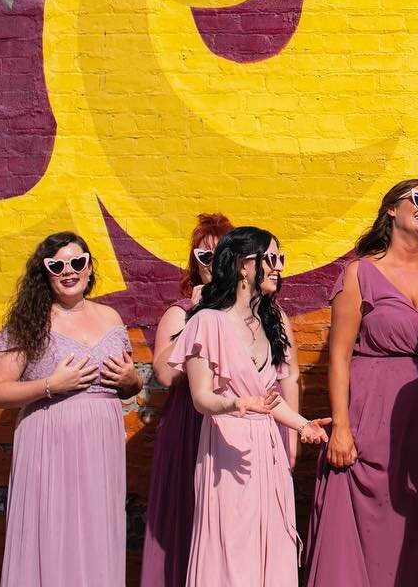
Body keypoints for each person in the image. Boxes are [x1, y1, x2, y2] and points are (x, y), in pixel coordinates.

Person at [305, 179, 418, 587]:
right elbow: (339, 355)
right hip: (369, 414)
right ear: (391, 209)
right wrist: (340, 427)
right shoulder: (361, 273)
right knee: (360, 524)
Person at [170, 226, 327, 586]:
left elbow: (268, 400)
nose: (278, 267)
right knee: (233, 548)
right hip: (228, 451)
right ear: (243, 265)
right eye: (271, 258)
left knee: (272, 543)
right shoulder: (207, 321)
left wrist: (303, 425)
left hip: (267, 451)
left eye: (281, 259)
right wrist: (236, 403)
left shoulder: (269, 321)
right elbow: (201, 398)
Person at [0, 232, 142, 587]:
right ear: (45, 272)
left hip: (102, 446)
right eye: (57, 265)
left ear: (89, 267)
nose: (68, 271)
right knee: (53, 529)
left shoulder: (111, 317)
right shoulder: (31, 320)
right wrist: (50, 386)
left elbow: (128, 387)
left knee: (97, 530)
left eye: (77, 262)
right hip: (50, 441)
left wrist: (133, 380)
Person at [142, 212, 233, 587]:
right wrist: (198, 315)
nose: (212, 264)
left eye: (221, 254)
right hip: (188, 426)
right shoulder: (179, 313)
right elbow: (165, 373)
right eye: (203, 256)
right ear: (194, 264)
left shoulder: (250, 313)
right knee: (187, 518)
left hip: (233, 426)